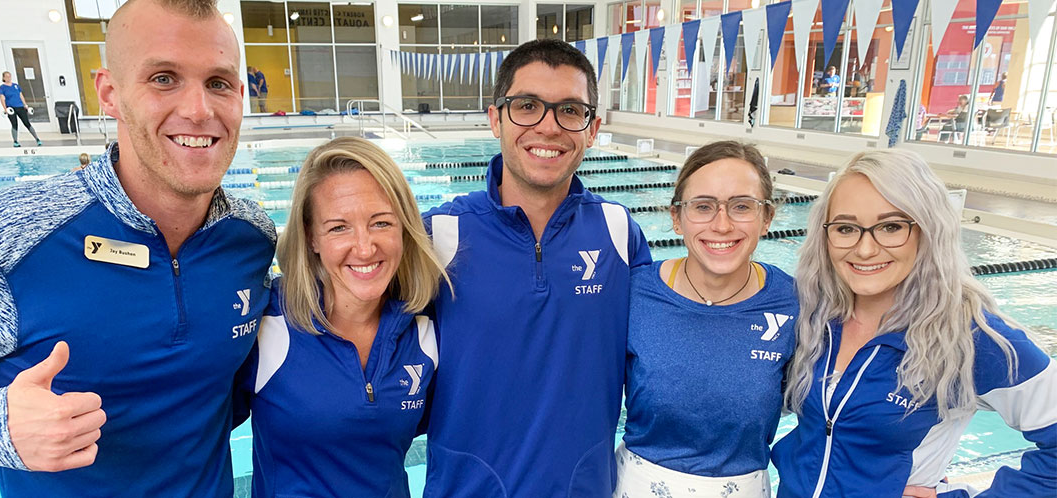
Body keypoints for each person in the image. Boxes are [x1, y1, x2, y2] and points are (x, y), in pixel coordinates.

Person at [0, 0, 276, 497]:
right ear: (109, 93)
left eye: (219, 82)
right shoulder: (7, 235)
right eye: (164, 78)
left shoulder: (250, 237)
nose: (199, 110)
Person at [421, 39, 651, 497]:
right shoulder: (438, 236)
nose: (548, 127)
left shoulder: (618, 232)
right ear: (495, 118)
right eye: (527, 106)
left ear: (592, 128)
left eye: (569, 109)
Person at [772, 149, 1056, 497]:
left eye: (891, 227)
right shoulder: (813, 314)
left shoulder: (969, 336)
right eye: (846, 228)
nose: (864, 249)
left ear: (928, 231)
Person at [234, 137, 450, 497]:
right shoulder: (266, 324)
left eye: (381, 223)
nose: (364, 248)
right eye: (339, 227)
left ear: (404, 228)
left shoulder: (425, 331)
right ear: (311, 237)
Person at [615, 141, 797, 498]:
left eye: (742, 206)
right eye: (703, 206)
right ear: (676, 218)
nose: (722, 224)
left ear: (767, 218)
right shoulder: (633, 294)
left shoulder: (796, 303)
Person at [0, 71, 42, 147]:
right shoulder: (2, 87)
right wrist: (5, 109)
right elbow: (2, 99)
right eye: (7, 76)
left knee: (27, 123)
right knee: (14, 124)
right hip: (11, 108)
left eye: (9, 76)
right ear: (3, 78)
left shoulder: (16, 86)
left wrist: (25, 105)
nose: (8, 78)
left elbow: (21, 96)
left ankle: (37, 139)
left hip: (20, 107)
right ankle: (15, 141)